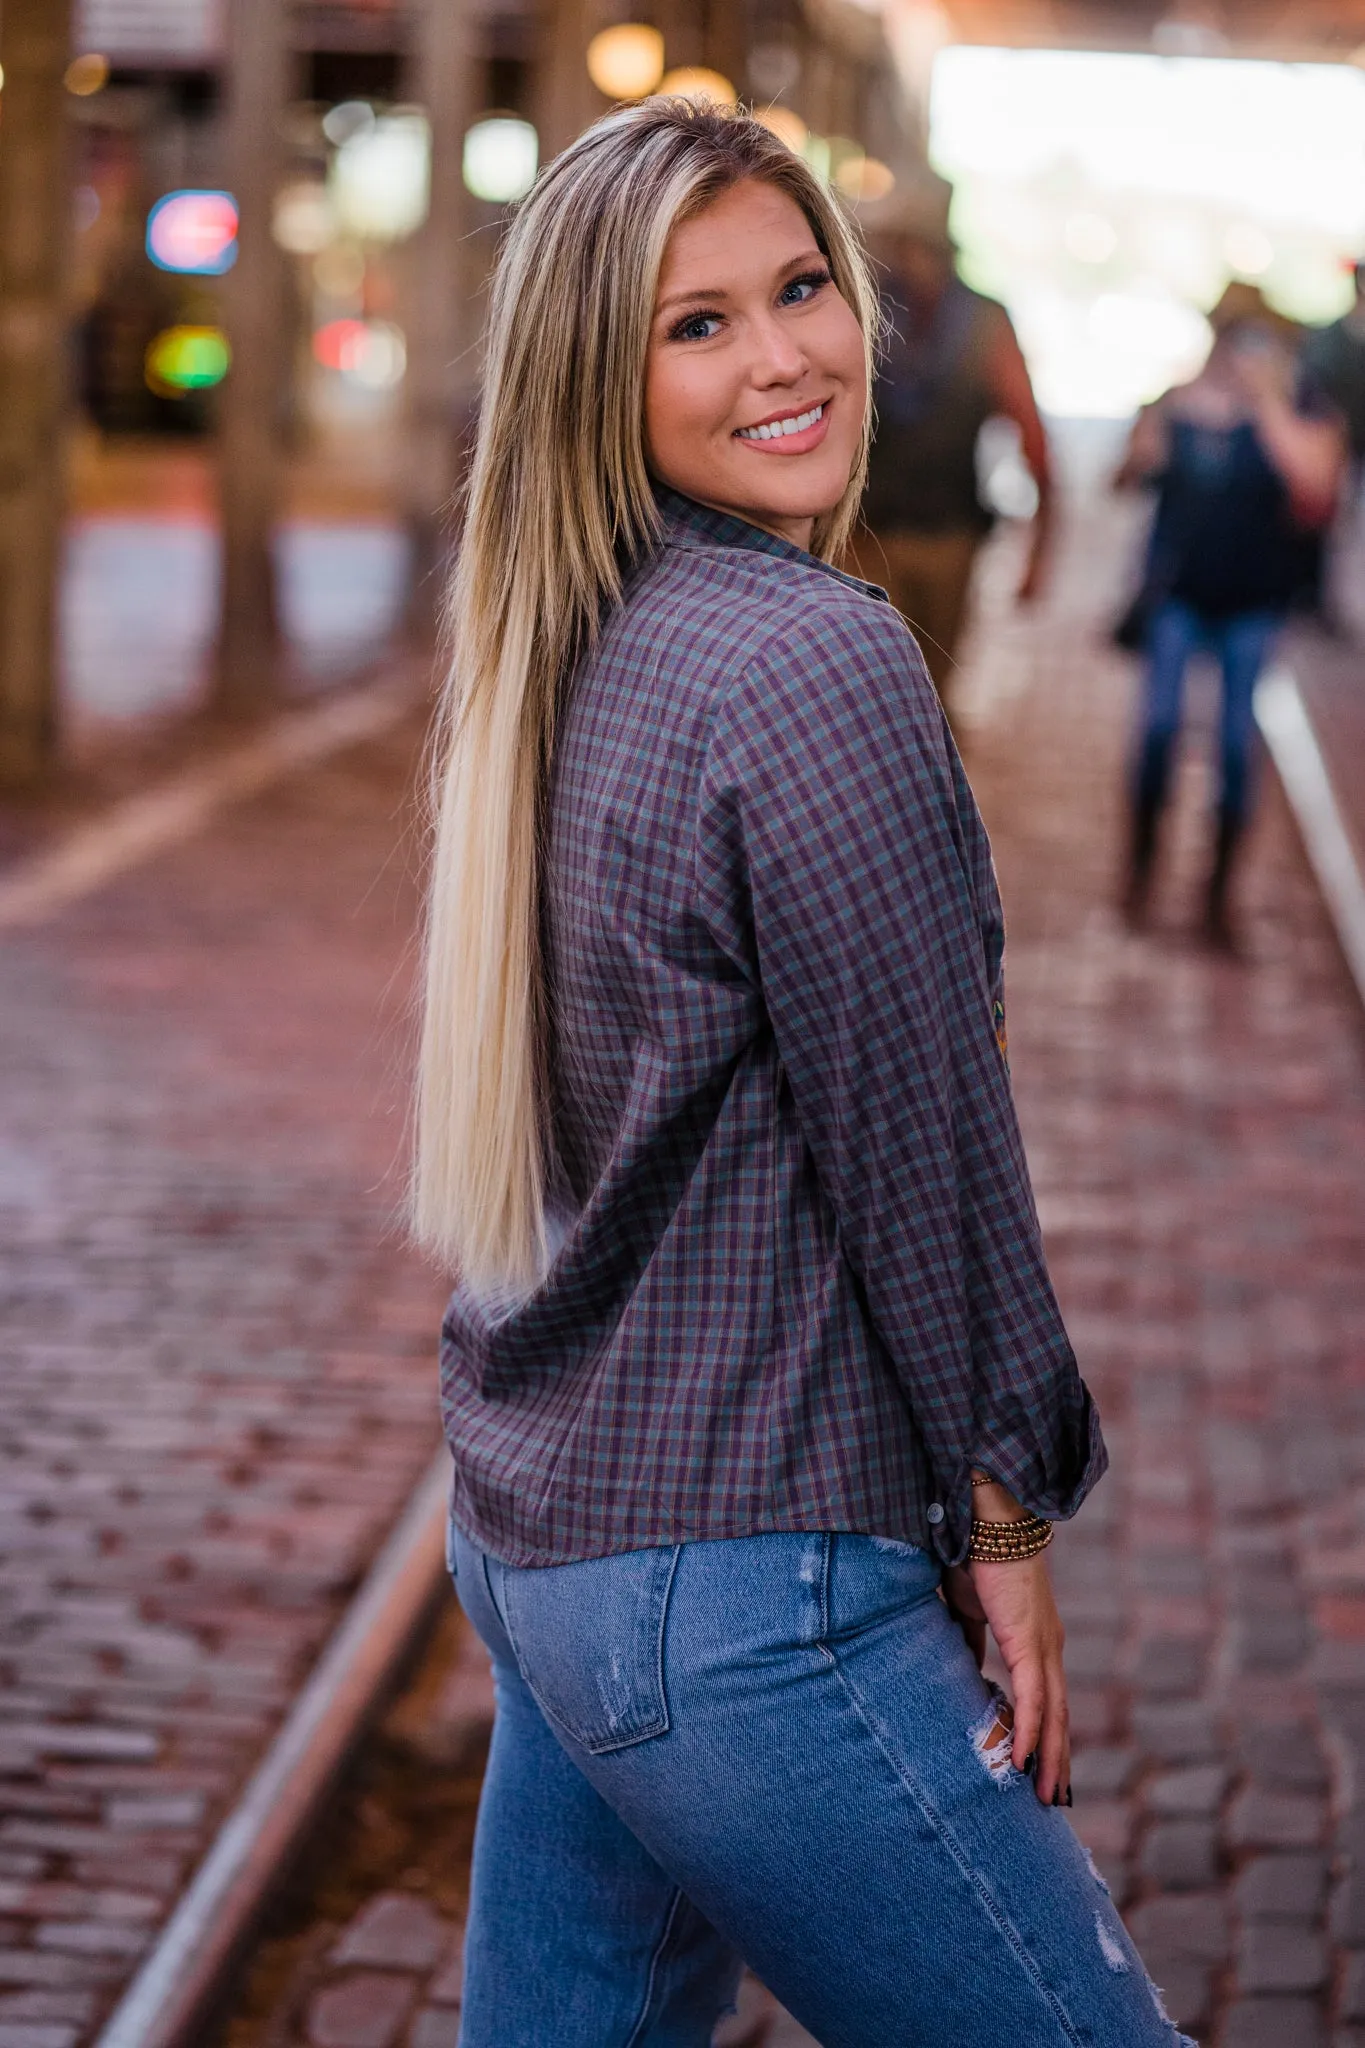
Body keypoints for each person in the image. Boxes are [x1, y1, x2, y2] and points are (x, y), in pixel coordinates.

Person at [414, 98, 1189, 2048]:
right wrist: (1003, 1522)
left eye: (797, 290)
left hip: (551, 1552)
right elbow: (922, 1155)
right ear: (600, 372)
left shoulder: (560, 643)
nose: (785, 355)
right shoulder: (804, 659)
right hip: (752, 1586)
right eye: (697, 325)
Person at [1115, 282, 1344, 946]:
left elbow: (1316, 492)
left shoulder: (1301, 410)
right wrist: (1158, 428)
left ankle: (1217, 897)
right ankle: (1139, 871)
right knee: (1157, 732)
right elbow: (1124, 478)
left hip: (1253, 605)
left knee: (1237, 752)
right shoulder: (1179, 402)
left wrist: (1265, 404)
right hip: (1178, 598)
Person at [847, 171, 1053, 713]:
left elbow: (1033, 440)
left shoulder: (981, 322)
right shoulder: (868, 306)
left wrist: (1041, 550)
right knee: (878, 698)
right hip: (867, 536)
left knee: (920, 702)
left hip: (938, 538)